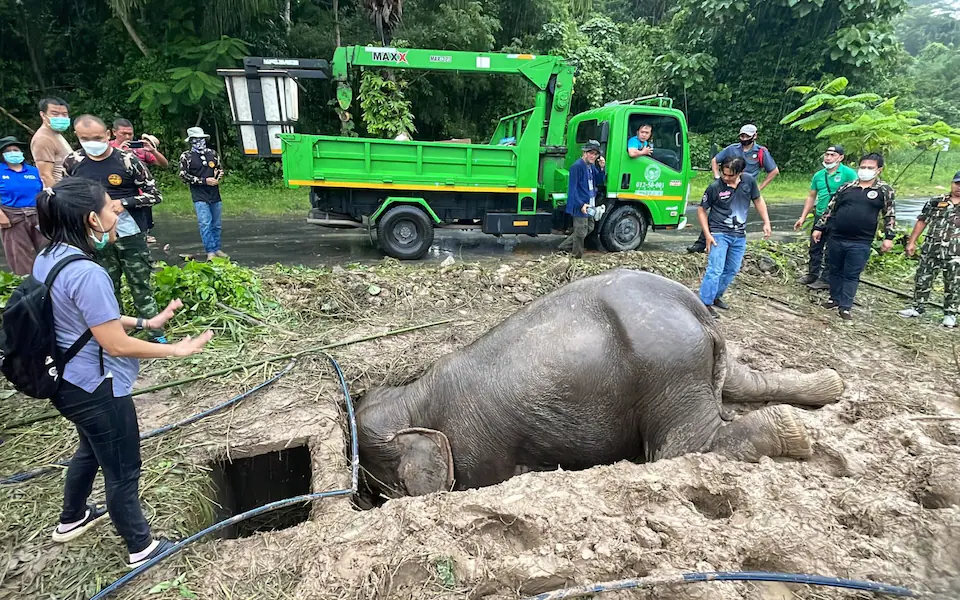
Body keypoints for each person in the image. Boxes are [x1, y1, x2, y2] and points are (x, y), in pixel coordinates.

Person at [32, 176, 211, 568]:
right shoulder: (89, 273)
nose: (119, 212)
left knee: (91, 449)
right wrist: (174, 350)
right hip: (96, 388)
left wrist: (146, 322)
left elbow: (88, 319)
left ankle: (72, 518)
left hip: (67, 383)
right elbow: (114, 344)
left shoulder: (50, 258)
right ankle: (141, 547)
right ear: (91, 220)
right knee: (123, 470)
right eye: (112, 207)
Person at [62, 115, 166, 342]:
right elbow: (67, 197)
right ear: (77, 137)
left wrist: (125, 202)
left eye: (97, 137)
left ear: (108, 134)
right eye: (85, 138)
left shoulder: (128, 160)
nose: (92, 142)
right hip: (95, 234)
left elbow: (154, 195)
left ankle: (154, 331)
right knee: (106, 284)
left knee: (140, 282)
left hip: (130, 232)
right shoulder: (73, 162)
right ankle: (116, 331)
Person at [812, 153, 896, 321]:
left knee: (851, 273)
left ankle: (845, 306)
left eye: (870, 168)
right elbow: (830, 209)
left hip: (861, 241)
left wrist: (889, 237)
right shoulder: (846, 187)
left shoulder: (884, 190)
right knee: (834, 269)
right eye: (863, 167)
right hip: (837, 236)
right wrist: (819, 227)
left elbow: (890, 214)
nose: (865, 170)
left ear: (878, 170)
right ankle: (834, 298)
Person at [697, 155, 773, 319]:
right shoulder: (715, 187)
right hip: (719, 233)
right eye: (724, 173)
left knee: (732, 269)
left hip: (739, 234)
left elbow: (758, 200)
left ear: (741, 172)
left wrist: (766, 222)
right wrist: (707, 234)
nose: (726, 177)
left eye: (730, 175)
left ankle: (716, 296)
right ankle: (704, 304)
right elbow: (701, 209)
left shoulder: (749, 182)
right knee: (715, 269)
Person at [690, 124, 780, 253]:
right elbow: (715, 160)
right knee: (715, 214)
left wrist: (759, 187)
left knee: (737, 215)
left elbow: (774, 171)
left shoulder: (760, 152)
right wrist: (717, 176)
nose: (744, 138)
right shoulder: (732, 149)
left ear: (755, 136)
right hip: (726, 186)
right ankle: (703, 242)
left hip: (744, 188)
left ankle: (730, 246)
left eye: (747, 136)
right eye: (742, 136)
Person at [897, 171, 960, 329]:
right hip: (932, 249)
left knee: (953, 283)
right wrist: (911, 242)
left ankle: (950, 314)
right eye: (957, 183)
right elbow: (922, 221)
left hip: (956, 253)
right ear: (952, 183)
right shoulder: (937, 201)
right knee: (922, 278)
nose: (959, 187)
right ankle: (917, 307)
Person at [794, 145, 858, 289]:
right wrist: (803, 217)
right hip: (820, 215)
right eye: (827, 154)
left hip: (838, 218)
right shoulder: (818, 175)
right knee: (815, 246)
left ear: (840, 157)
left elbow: (855, 194)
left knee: (832, 249)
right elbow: (811, 197)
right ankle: (812, 273)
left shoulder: (848, 173)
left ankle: (826, 278)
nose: (828, 158)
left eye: (832, 155)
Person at [111, 119, 169, 244]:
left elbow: (164, 164)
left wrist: (153, 150)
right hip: (115, 193)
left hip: (140, 194)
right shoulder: (108, 148)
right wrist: (120, 152)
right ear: (114, 132)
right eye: (123, 133)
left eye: (130, 134)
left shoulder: (139, 150)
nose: (127, 137)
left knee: (142, 227)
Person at [178, 127, 227, 261]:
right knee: (205, 223)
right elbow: (183, 176)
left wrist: (218, 175)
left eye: (202, 139)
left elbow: (218, 169)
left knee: (216, 224)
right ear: (191, 141)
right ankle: (210, 251)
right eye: (196, 140)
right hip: (199, 195)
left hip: (214, 193)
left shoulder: (212, 154)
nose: (200, 142)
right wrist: (204, 181)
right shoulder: (186, 156)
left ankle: (217, 248)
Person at [0, 136, 45, 274]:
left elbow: (42, 190)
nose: (13, 152)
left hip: (37, 213)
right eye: (9, 150)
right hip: (12, 216)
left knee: (47, 248)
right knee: (20, 255)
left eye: (16, 149)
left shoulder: (33, 171)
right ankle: (27, 286)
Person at [558, 140, 606, 259]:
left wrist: (601, 168)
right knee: (580, 232)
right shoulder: (577, 166)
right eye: (590, 153)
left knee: (590, 227)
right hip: (580, 204)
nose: (593, 156)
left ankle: (564, 246)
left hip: (590, 203)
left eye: (595, 154)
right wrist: (581, 204)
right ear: (584, 153)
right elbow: (572, 190)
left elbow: (599, 181)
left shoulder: (591, 167)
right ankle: (576, 257)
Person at [30, 97, 73, 189]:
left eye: (64, 114)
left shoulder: (55, 134)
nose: (60, 117)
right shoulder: (42, 138)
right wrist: (56, 198)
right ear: (43, 115)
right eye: (55, 114)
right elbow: (46, 175)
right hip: (61, 193)